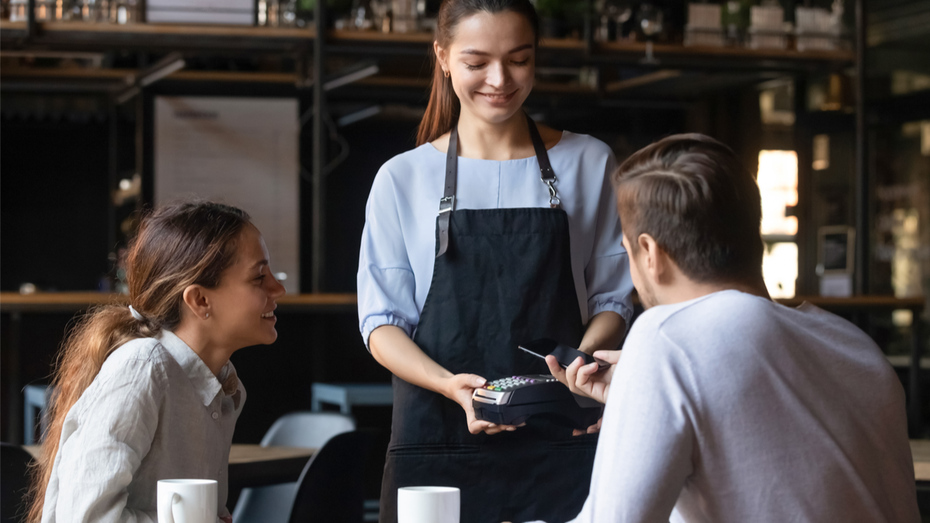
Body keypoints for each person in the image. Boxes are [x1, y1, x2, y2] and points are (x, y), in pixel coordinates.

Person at [539, 134, 920, 522]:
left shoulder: (665, 336)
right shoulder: (854, 344)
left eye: (628, 251)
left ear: (650, 253)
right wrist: (639, 394)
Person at [356, 0, 634, 521]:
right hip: (439, 443)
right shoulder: (402, 177)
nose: (500, 79)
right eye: (476, 61)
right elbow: (381, 323)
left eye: (519, 59)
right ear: (442, 57)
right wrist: (449, 386)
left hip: (563, 439)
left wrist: (569, 368)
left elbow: (613, 298)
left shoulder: (589, 161)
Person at [28, 201, 286, 523]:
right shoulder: (141, 369)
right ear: (200, 300)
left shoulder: (224, 384)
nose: (279, 288)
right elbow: (83, 518)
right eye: (259, 277)